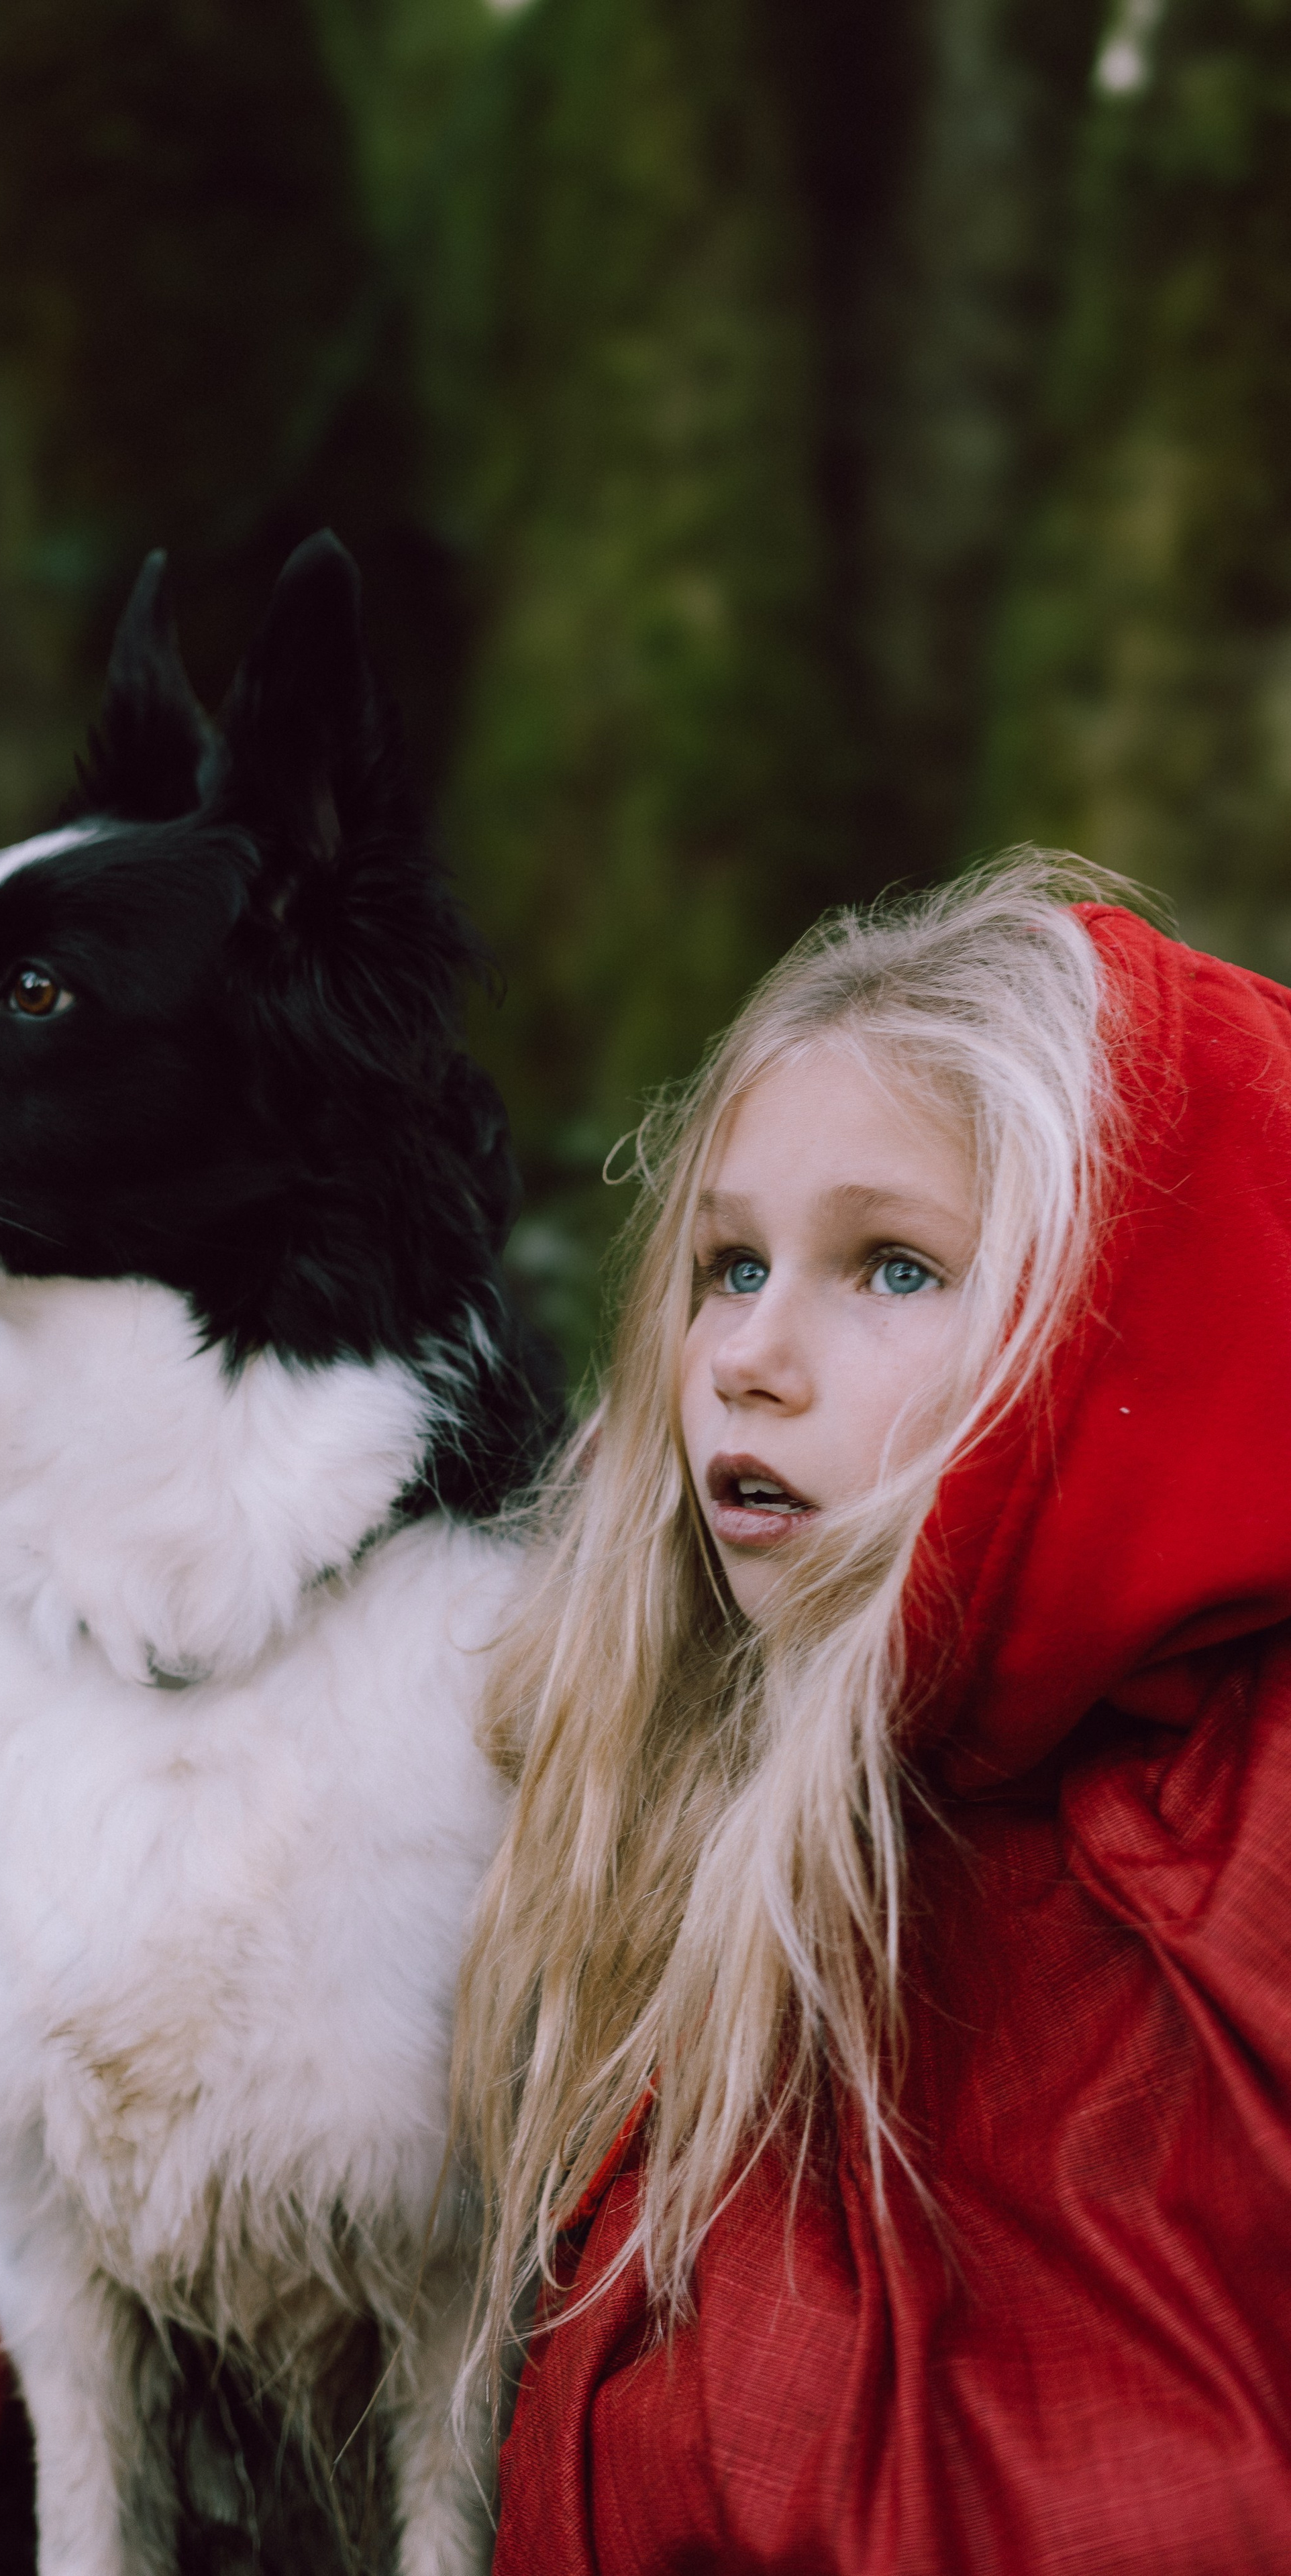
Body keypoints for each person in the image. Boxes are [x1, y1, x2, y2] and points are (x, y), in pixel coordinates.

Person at [454, 855, 1291, 2573]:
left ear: (1127, 1316)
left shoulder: (1232, 1856)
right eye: (726, 1264)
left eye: (894, 1269)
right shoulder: (673, 1780)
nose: (748, 1358)